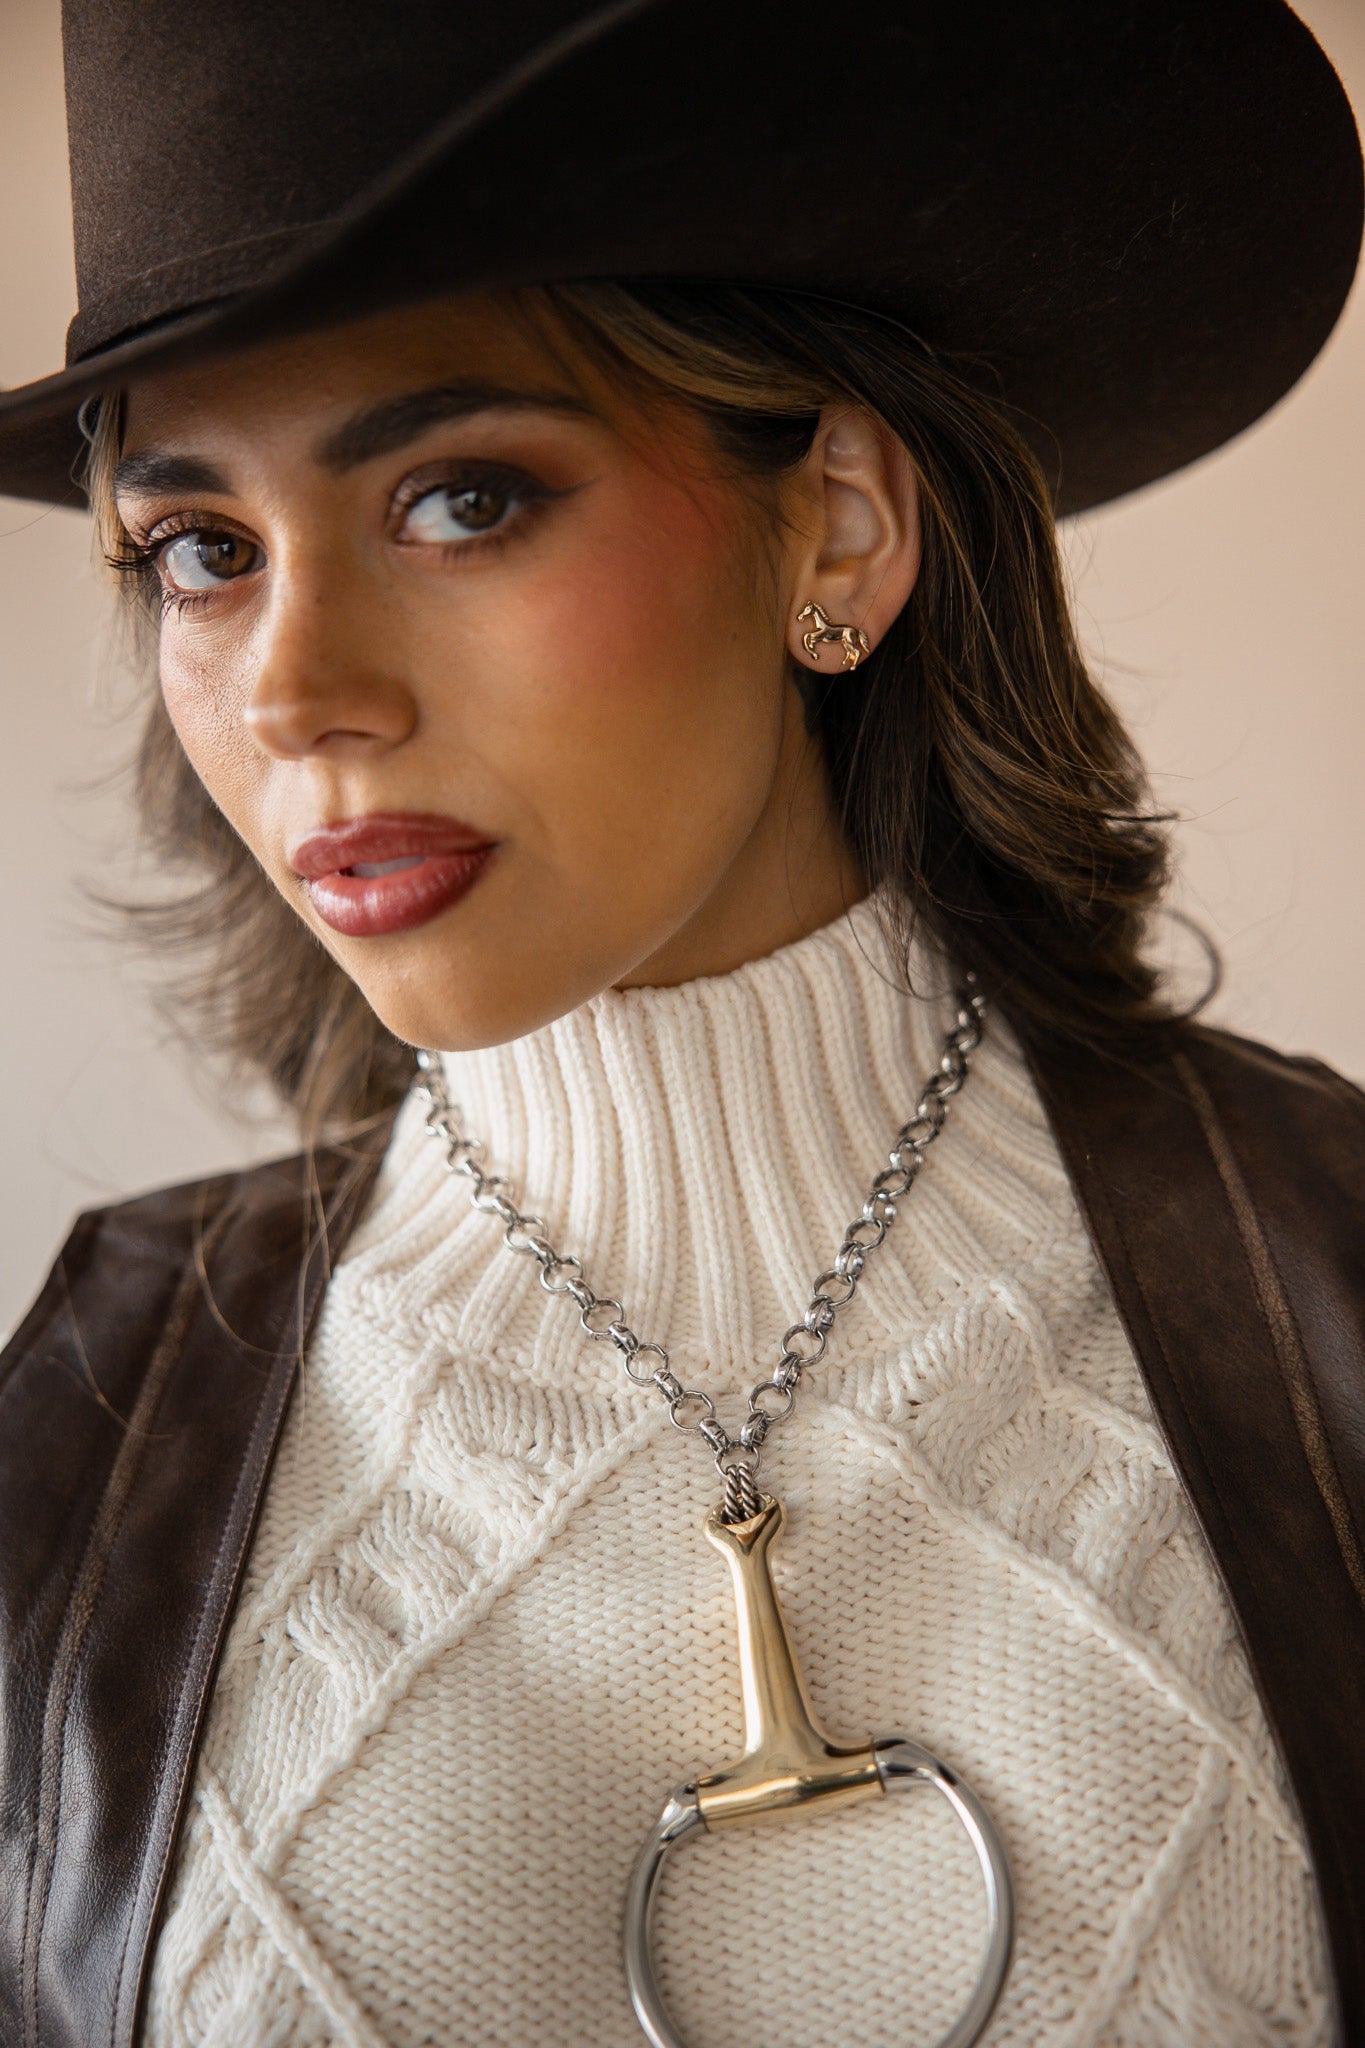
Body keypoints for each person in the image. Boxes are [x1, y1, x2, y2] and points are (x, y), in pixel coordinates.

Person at [1, 4, 1362, 2046]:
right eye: (201, 550)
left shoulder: (1331, 1279)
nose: (293, 691)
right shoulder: (72, 1440)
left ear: (839, 525)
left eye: (460, 499)